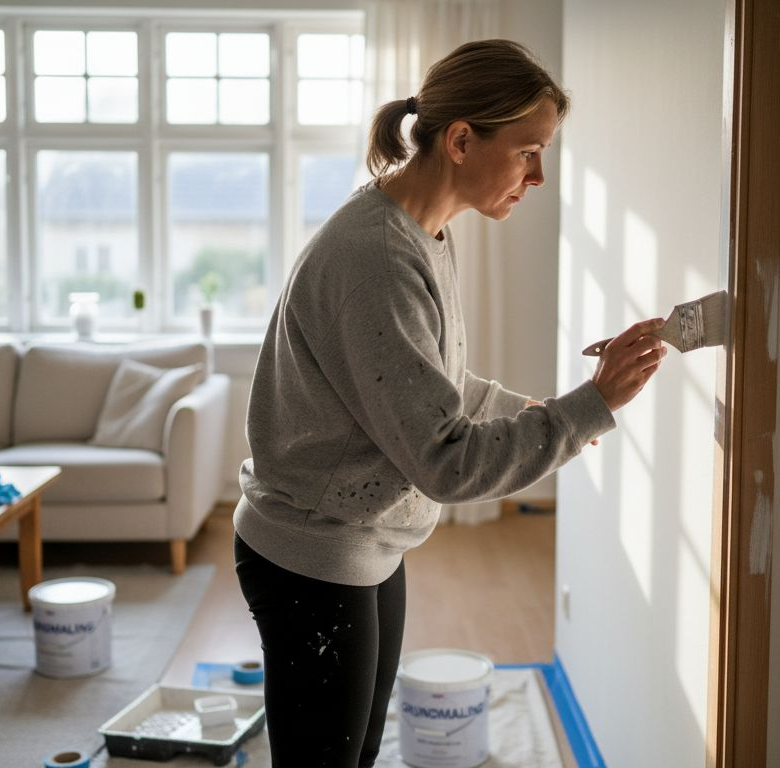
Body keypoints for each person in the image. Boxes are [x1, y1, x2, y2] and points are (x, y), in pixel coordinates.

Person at [233, 38, 667, 767]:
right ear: (462, 139)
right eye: (528, 151)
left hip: (366, 540)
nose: (538, 175)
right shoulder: (375, 254)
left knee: (359, 750)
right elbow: (445, 463)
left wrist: (536, 408)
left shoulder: (422, 233)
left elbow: (426, 383)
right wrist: (589, 406)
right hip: (312, 551)